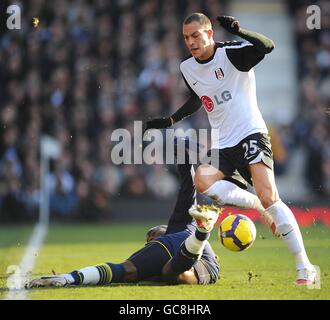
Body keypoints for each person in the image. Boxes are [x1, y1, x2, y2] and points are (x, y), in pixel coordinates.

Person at [144, 13, 317, 285]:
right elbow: (198, 98)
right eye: (186, 37)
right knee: (201, 180)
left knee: (270, 196)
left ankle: (305, 266)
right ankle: (258, 205)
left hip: (251, 133)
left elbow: (267, 46)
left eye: (196, 35)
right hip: (224, 143)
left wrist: (240, 31)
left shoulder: (232, 54)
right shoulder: (187, 68)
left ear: (210, 33)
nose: (190, 42)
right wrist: (170, 120)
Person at [26, 144, 220, 288]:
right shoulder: (182, 225)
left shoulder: (182, 224)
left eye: (151, 236)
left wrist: (184, 158)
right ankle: (69, 279)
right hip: (190, 250)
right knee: (166, 273)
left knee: (151, 272)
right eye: (150, 239)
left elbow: (188, 188)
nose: (150, 238)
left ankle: (70, 278)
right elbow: (188, 185)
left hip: (198, 255)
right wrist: (184, 156)